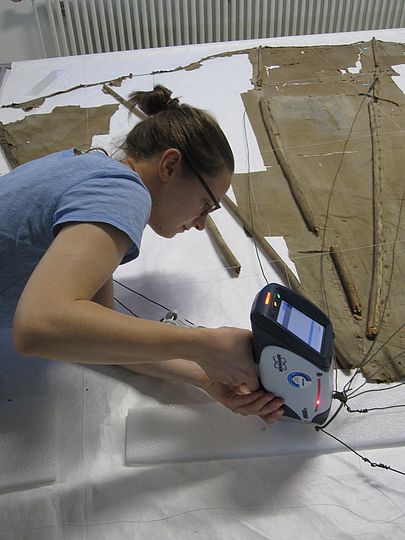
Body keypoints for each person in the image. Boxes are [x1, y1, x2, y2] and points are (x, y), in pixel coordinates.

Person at [0, 85, 284, 425]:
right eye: (206, 205)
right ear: (170, 165)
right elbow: (37, 326)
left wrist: (205, 376)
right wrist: (201, 344)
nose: (200, 224)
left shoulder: (91, 167)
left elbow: (102, 337)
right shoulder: (122, 193)